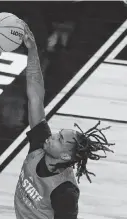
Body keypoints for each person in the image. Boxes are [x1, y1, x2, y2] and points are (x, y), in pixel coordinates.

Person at [14, 22, 115, 219]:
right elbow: (35, 96)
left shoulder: (65, 192)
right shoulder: (40, 144)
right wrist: (33, 51)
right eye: (58, 134)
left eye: (60, 139)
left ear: (66, 157)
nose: (52, 136)